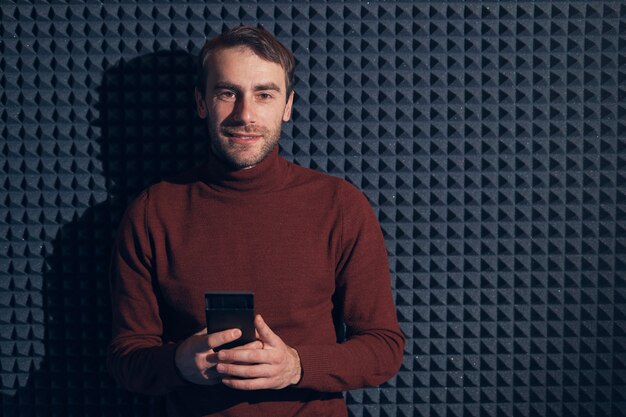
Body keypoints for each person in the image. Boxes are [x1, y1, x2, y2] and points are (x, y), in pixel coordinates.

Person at [107, 25, 405, 417]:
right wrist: (177, 362)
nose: (245, 114)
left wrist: (297, 366)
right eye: (227, 93)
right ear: (201, 102)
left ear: (287, 106)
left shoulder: (340, 206)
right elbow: (126, 357)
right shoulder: (152, 212)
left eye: (264, 94)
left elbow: (384, 348)